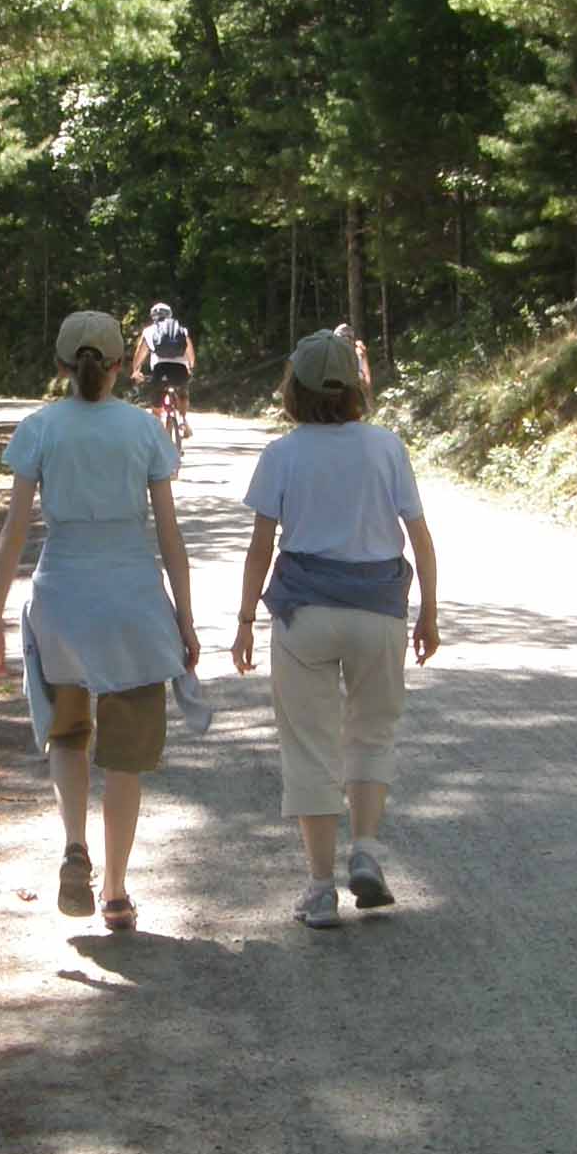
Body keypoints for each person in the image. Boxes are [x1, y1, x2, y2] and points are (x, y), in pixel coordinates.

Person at [0, 311, 201, 933]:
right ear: (116, 368)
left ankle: (73, 845)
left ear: (60, 367)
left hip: (62, 600)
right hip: (131, 600)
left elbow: (15, 531)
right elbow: (169, 534)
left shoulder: (40, 429)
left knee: (68, 734)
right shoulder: (143, 431)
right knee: (125, 755)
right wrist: (185, 620)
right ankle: (116, 892)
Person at [229, 330, 439, 930]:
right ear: (356, 387)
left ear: (293, 387)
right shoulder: (386, 448)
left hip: (305, 617)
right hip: (379, 612)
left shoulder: (282, 454)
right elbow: (420, 537)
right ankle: (366, 851)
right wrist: (429, 611)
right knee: (371, 735)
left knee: (310, 747)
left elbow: (259, 548)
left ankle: (320, 889)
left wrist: (245, 620)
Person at [133, 300, 197, 444]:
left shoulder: (149, 331)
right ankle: (182, 419)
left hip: (160, 370)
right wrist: (190, 367)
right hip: (180, 370)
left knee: (156, 407)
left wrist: (136, 371)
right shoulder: (181, 329)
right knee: (182, 394)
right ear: (170, 315)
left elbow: (140, 354)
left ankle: (160, 434)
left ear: (153, 316)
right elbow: (190, 354)